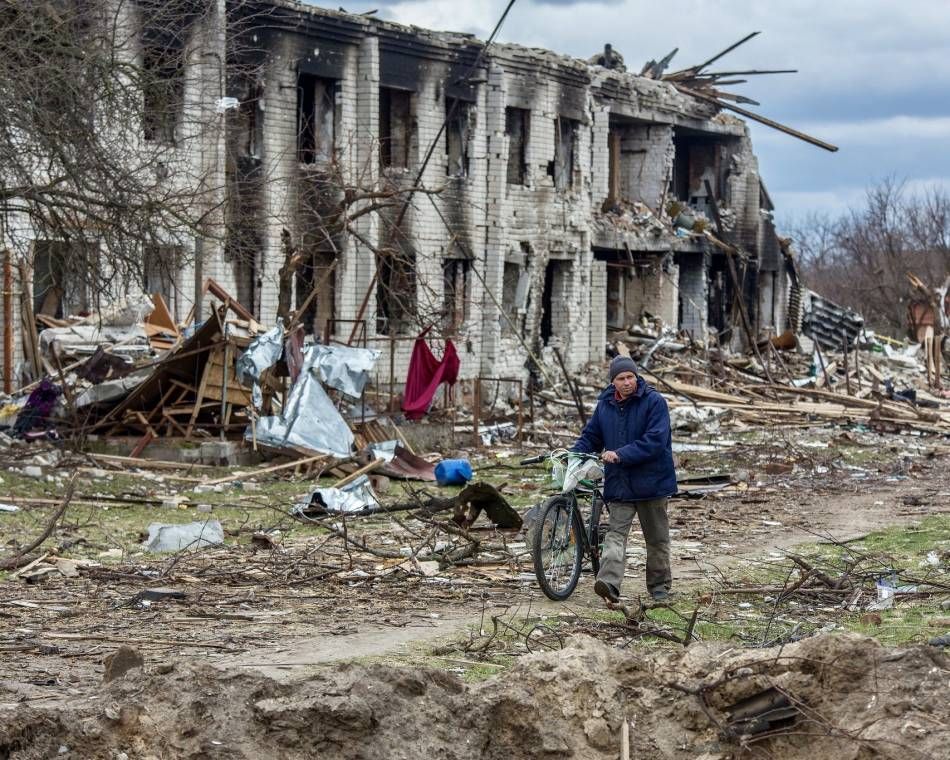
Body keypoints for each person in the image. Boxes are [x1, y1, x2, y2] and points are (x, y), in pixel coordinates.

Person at [572, 355, 677, 603]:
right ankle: (609, 584)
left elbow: (655, 440)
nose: (627, 382)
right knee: (615, 535)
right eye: (621, 378)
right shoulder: (605, 405)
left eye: (631, 377)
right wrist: (574, 454)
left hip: (652, 483)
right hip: (620, 483)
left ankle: (659, 587)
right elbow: (592, 436)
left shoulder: (654, 402)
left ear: (637, 377)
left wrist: (620, 454)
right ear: (613, 382)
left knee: (656, 539)